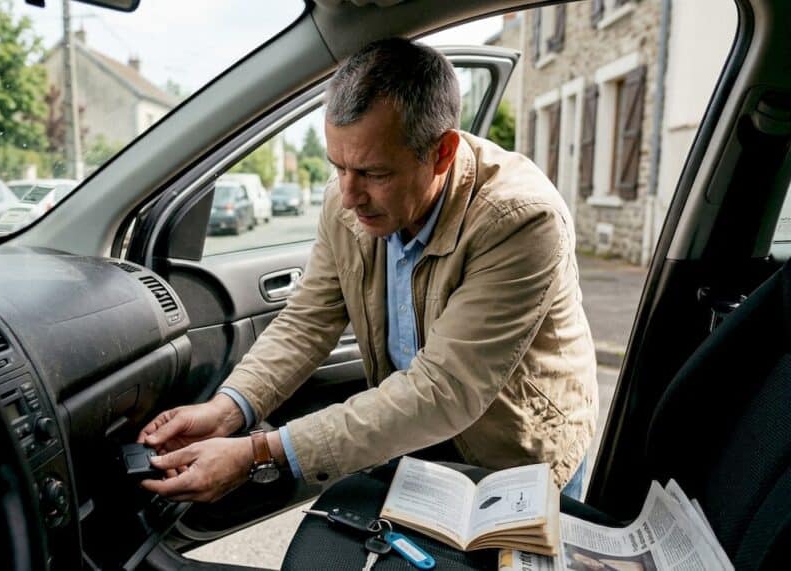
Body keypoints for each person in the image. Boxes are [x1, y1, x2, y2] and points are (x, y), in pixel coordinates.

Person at [138, 37, 598, 503]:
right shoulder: (345, 200)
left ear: (441, 152)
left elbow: (443, 390)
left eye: (374, 174)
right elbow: (308, 319)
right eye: (338, 166)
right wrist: (229, 407)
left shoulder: (519, 220)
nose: (350, 195)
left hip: (513, 459)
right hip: (420, 443)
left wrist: (259, 452)